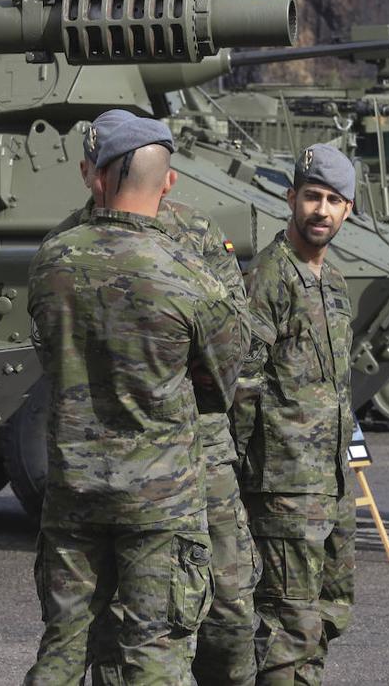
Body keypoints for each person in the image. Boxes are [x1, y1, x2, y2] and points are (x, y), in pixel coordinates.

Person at [25, 110, 245, 685]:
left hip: (73, 486)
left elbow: (50, 354)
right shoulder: (185, 270)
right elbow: (228, 376)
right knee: (156, 651)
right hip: (160, 496)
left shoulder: (53, 256)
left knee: (64, 645)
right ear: (167, 180)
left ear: (91, 175)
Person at [233, 143, 358, 684]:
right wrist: (235, 472)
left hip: (330, 476)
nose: (321, 210)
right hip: (283, 479)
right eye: (312, 196)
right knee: (288, 624)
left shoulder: (334, 283)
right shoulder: (267, 277)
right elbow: (241, 382)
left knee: (330, 609)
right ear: (291, 199)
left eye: (334, 200)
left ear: (348, 209)